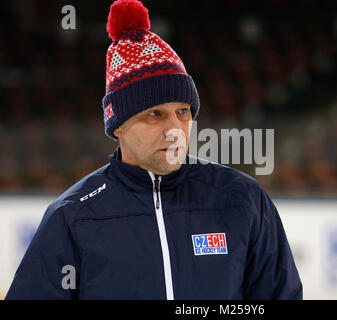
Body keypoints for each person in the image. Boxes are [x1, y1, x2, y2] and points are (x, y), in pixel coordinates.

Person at [6, 0, 302, 300]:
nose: (174, 129)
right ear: (118, 126)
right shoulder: (72, 216)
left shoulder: (243, 200)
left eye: (183, 112)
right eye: (154, 114)